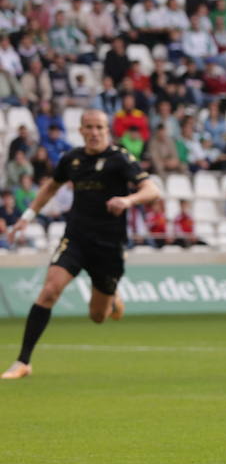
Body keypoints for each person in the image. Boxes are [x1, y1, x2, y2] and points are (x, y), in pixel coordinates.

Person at [1, 110, 161, 379]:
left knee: (97, 316)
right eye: (89, 127)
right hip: (75, 239)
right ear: (81, 130)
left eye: (99, 127)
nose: (95, 132)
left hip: (108, 246)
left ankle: (112, 299)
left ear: (107, 130)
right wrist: (27, 217)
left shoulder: (120, 159)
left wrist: (127, 200)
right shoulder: (72, 159)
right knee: (49, 291)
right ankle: (23, 362)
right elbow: (51, 187)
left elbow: (152, 191)